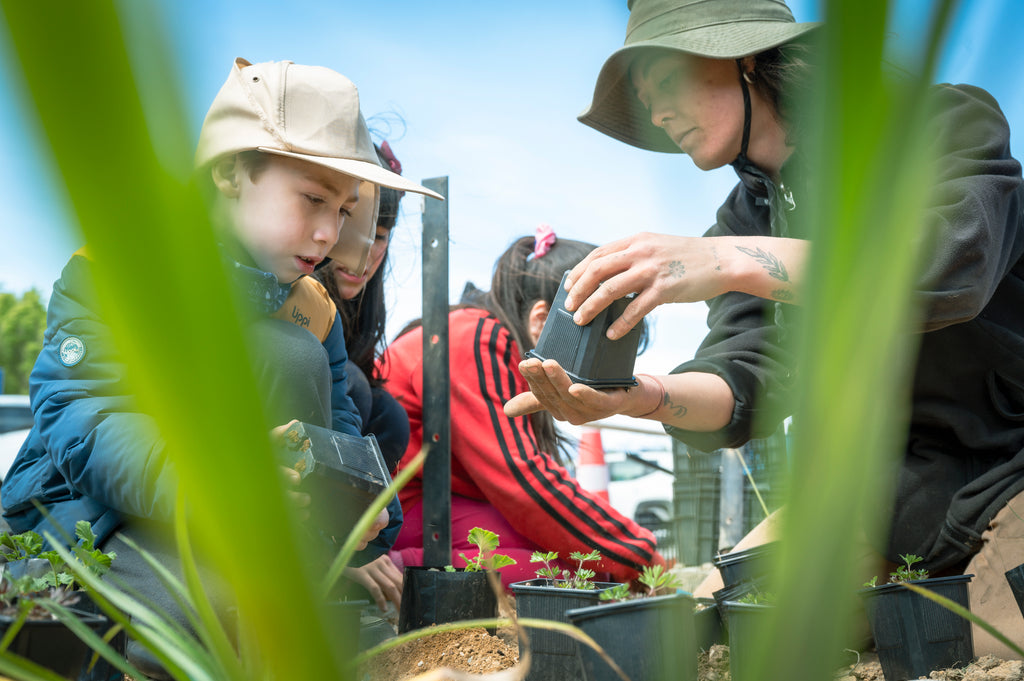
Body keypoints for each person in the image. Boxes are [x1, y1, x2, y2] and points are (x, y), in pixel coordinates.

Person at [504, 0, 1024, 658]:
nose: (657, 113)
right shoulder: (748, 213)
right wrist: (635, 395)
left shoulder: (932, 123)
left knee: (990, 653)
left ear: (745, 55)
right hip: (879, 498)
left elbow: (949, 262)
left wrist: (729, 263)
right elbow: (744, 374)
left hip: (1008, 466)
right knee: (700, 631)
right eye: (645, 99)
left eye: (665, 80)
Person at [0, 57, 441, 678]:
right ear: (233, 172)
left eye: (343, 211)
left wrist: (357, 511)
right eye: (312, 199)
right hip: (100, 520)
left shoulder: (314, 312)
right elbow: (80, 414)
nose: (327, 234)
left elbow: (341, 434)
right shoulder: (123, 267)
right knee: (187, 634)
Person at [381, 227, 667, 589]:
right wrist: (641, 557)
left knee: (580, 566)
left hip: (429, 506)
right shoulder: (476, 338)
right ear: (540, 320)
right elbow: (524, 482)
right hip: (395, 513)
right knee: (561, 576)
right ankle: (398, 570)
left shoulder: (480, 332)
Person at [316, 141, 411, 614]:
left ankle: (361, 558)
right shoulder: (299, 298)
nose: (367, 251)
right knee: (352, 385)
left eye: (381, 235)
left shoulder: (360, 308)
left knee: (388, 414)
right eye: (355, 227)